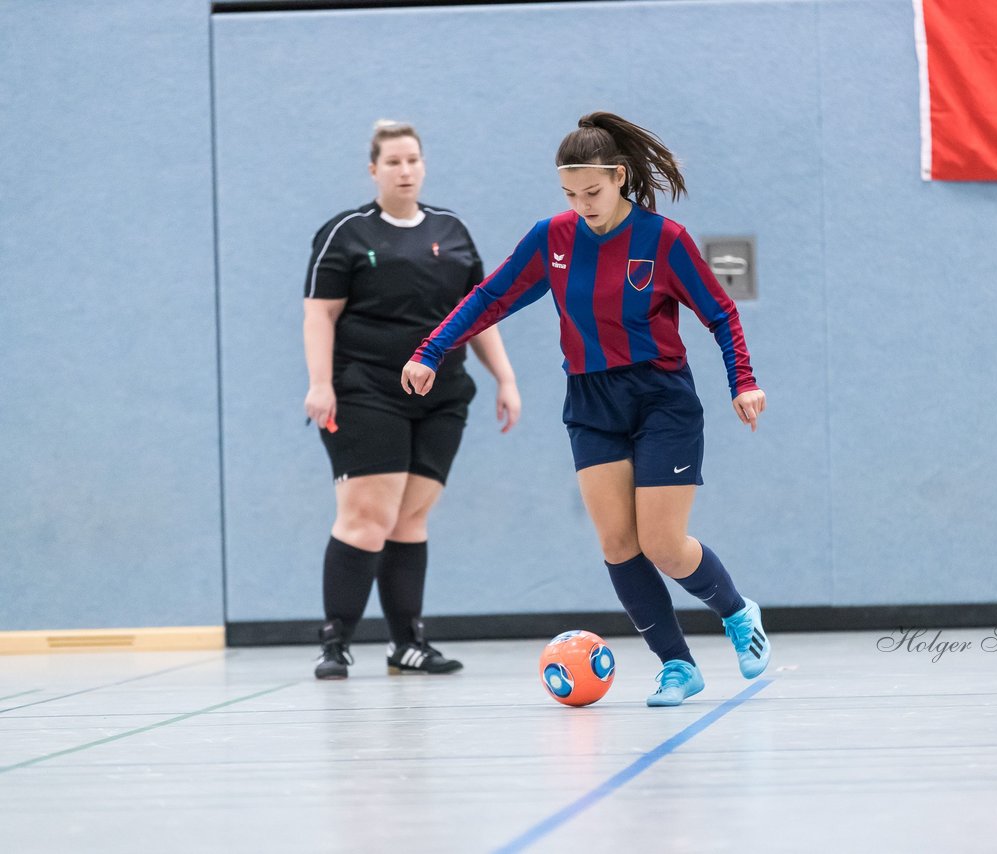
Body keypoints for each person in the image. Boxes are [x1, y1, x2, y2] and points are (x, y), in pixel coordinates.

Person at [401, 112, 771, 706]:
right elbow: (491, 296)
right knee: (618, 543)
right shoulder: (554, 238)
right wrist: (431, 350)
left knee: (663, 544)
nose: (583, 204)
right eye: (570, 194)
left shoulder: (664, 240)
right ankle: (677, 665)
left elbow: (720, 313)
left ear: (620, 177)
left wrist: (743, 382)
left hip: (661, 398)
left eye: (592, 192)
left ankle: (735, 610)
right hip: (590, 400)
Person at [304, 120, 522, 680]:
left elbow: (477, 313)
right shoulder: (346, 233)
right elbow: (319, 313)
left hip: (443, 394)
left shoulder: (452, 231)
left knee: (411, 517)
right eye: (393, 161)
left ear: (424, 166)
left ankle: (408, 642)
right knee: (367, 516)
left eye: (413, 160)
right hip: (366, 389)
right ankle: (336, 641)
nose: (405, 170)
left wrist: (505, 378)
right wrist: (321, 383)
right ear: (374, 169)